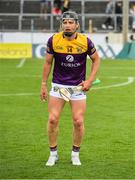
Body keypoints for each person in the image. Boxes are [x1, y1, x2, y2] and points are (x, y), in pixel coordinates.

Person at [40, 11, 100, 166]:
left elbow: (96, 60)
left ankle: (75, 154)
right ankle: (53, 154)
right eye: (65, 22)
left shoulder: (85, 41)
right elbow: (47, 63)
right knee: (53, 119)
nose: (67, 25)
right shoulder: (53, 40)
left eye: (70, 22)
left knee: (78, 121)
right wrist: (43, 85)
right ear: (61, 24)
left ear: (77, 24)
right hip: (59, 86)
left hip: (77, 88)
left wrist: (90, 81)